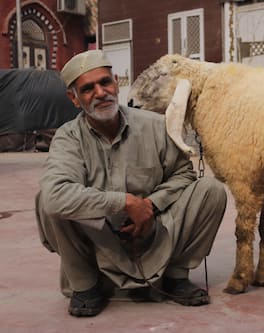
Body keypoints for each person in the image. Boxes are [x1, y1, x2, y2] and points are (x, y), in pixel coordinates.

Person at [35, 50, 227, 317]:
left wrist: (149, 205)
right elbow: (56, 196)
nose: (101, 93)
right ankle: (85, 285)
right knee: (48, 199)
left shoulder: (155, 126)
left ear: (116, 82)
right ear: (74, 99)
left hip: (154, 233)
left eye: (105, 82)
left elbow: (183, 175)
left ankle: (175, 276)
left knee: (211, 191)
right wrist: (124, 202)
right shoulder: (68, 139)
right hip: (98, 239)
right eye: (88, 89)